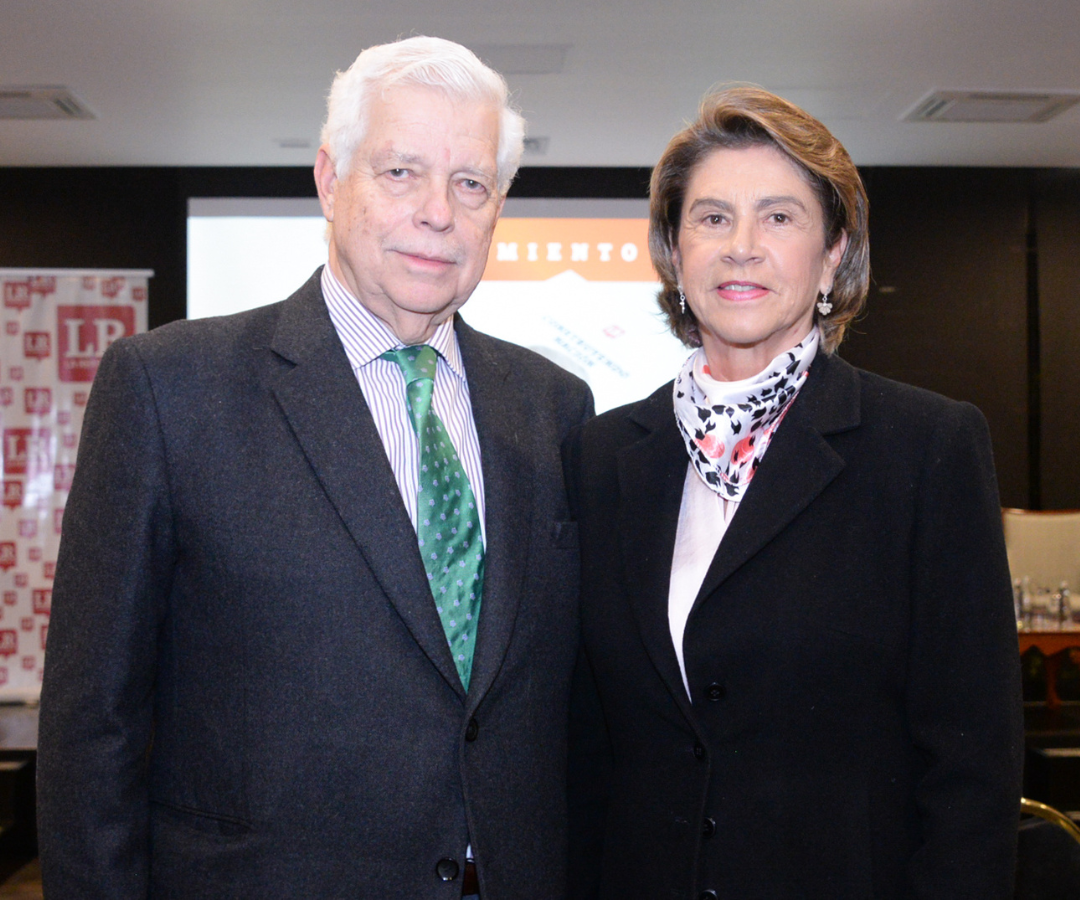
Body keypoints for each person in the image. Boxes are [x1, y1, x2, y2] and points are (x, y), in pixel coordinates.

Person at [37, 36, 593, 899]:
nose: (439, 212)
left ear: (498, 205)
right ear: (331, 180)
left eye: (470, 183)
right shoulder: (167, 389)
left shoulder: (554, 406)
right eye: (401, 172)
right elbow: (91, 727)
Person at [566, 86, 1022, 899]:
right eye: (711, 218)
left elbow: (972, 767)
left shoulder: (927, 447)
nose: (741, 247)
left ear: (835, 253)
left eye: (779, 218)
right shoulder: (602, 459)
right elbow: (586, 750)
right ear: (673, 251)